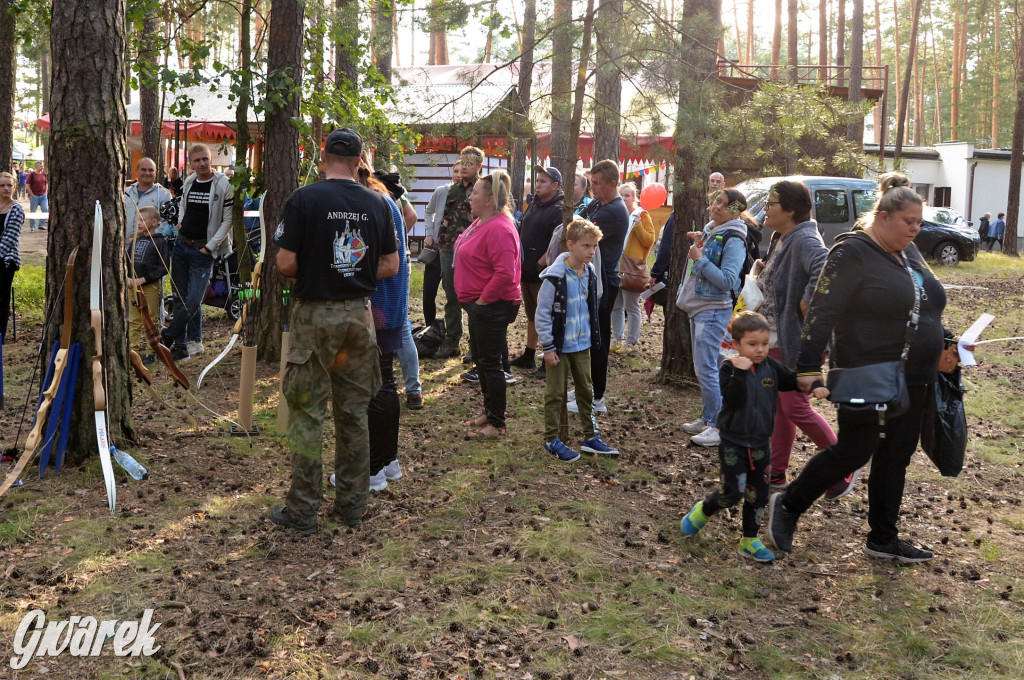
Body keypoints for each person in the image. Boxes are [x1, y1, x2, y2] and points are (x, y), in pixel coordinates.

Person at [767, 172, 949, 563]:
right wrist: (807, 367)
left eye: (920, 222)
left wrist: (946, 344)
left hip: (914, 375)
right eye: (908, 222)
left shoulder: (905, 253)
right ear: (883, 217)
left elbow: (928, 305)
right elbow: (820, 310)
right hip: (867, 370)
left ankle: (883, 537)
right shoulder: (853, 251)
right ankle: (788, 506)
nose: (916, 229)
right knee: (854, 449)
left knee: (896, 454)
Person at [270, 128, 399, 534]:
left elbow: (286, 264)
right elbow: (391, 265)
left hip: (315, 317)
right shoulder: (378, 203)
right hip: (358, 319)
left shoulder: (304, 199)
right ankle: (352, 505)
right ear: (360, 160)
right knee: (353, 412)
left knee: (307, 413)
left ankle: (304, 511)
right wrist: (353, 271)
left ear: (324, 156)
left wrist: (321, 269)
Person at [680, 312, 829, 563]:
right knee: (732, 493)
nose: (760, 350)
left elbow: (792, 381)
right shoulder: (729, 368)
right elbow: (732, 398)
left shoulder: (771, 366)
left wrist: (814, 385)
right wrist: (740, 371)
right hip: (733, 443)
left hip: (761, 444)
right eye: (752, 344)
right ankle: (703, 510)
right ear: (736, 345)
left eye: (764, 343)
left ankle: (749, 539)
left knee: (758, 494)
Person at [756, 180, 838, 492]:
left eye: (771, 204)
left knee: (795, 408)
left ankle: (841, 466)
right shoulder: (782, 236)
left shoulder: (804, 239)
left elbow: (826, 267)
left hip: (797, 342)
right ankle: (776, 473)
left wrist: (806, 301)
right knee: (781, 408)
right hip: (776, 339)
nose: (765, 209)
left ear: (790, 209)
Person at [536, 219, 619, 461]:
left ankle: (591, 437)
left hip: (582, 345)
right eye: (585, 246)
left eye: (594, 246)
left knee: (586, 390)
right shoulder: (555, 277)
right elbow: (542, 313)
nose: (591, 252)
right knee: (555, 394)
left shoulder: (590, 272)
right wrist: (548, 346)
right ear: (570, 245)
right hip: (559, 348)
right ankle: (552, 439)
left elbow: (591, 304)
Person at [677, 188, 750, 447]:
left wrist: (700, 259)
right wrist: (702, 243)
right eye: (716, 200)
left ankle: (718, 425)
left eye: (724, 204)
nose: (716, 206)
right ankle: (710, 416)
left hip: (712, 311)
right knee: (706, 367)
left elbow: (728, 281)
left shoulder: (734, 238)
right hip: (700, 309)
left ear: (735, 211)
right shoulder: (713, 231)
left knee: (707, 368)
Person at [454, 170, 522, 438]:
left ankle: (497, 422)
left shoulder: (500, 228)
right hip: (478, 306)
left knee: (491, 364)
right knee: (482, 361)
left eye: (475, 193)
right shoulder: (482, 220)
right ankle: (489, 411)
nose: (470, 197)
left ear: (490, 199)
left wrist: (483, 302)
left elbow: (504, 273)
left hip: (492, 306)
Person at [160, 144, 233, 360]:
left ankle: (168, 335)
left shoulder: (223, 184)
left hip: (203, 250)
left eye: (205, 159)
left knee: (193, 301)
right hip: (182, 245)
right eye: (197, 160)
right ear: (191, 163)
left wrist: (210, 247)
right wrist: (181, 220)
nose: (202, 164)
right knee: (179, 297)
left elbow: (227, 220)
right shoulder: (190, 181)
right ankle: (181, 347)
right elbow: (182, 203)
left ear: (211, 160)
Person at [567, 160, 628, 417]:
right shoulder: (598, 203)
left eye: (596, 183)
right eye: (590, 182)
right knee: (589, 337)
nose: (592, 188)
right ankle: (587, 387)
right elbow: (575, 221)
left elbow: (579, 230)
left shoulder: (613, 210)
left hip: (605, 282)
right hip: (591, 279)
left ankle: (597, 397)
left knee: (599, 340)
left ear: (612, 184)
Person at [371, 165, 422, 411]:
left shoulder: (385, 198)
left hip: (392, 267)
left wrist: (396, 244)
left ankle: (412, 390)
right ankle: (412, 389)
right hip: (391, 263)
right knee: (400, 326)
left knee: (399, 325)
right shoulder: (383, 198)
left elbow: (411, 217)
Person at [510, 166, 564, 378]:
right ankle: (529, 354)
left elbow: (556, 241)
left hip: (543, 273)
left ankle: (549, 360)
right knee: (532, 313)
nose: (538, 184)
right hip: (526, 269)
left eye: (543, 181)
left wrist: (540, 265)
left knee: (547, 315)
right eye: (538, 180)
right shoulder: (534, 203)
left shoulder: (559, 209)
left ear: (555, 185)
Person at [436, 146, 484, 358]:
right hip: (449, 248)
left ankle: (477, 346)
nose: (463, 168)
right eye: (462, 163)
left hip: (472, 251)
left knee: (473, 297)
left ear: (479, 166)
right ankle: (452, 341)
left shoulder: (483, 189)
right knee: (451, 295)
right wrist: (441, 241)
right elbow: (445, 217)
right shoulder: (454, 190)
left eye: (469, 164)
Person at [611, 182, 655, 355]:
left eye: (627, 195)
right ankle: (617, 338)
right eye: (621, 195)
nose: (624, 198)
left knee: (632, 306)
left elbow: (648, 240)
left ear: (634, 198)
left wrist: (637, 226)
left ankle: (632, 343)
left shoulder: (642, 215)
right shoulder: (617, 215)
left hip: (632, 268)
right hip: (617, 265)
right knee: (616, 305)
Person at [126, 206, 169, 361]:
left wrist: (144, 279)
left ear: (154, 222)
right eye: (138, 219)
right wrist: (128, 277)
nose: (139, 223)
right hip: (132, 285)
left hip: (150, 286)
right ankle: (134, 349)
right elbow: (127, 260)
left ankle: (153, 351)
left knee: (151, 318)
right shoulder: (136, 239)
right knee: (134, 319)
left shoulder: (160, 241)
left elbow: (164, 268)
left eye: (143, 220)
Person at [422, 162, 461, 327]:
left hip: (455, 252)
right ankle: (430, 329)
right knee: (428, 293)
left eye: (462, 171)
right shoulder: (441, 191)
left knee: (452, 295)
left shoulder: (470, 194)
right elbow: (428, 211)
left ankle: (452, 332)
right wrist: (429, 233)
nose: (458, 174)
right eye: (455, 171)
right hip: (436, 250)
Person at [125, 157, 174, 238]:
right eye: (143, 170)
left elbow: (168, 222)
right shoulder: (126, 193)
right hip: (124, 247)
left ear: (156, 172)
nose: (147, 173)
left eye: (151, 170)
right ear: (137, 171)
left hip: (150, 247)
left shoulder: (163, 195)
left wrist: (152, 238)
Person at [0, 172, 23, 339]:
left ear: (14, 187)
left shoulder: (16, 209)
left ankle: (0, 334)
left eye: (9, 185)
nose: (6, 188)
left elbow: (10, 237)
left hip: (5, 260)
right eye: (2, 185)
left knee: (1, 297)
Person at [26, 162, 48, 232]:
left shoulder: (44, 174)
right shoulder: (31, 175)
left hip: (43, 196)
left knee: (45, 209)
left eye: (42, 166)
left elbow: (46, 183)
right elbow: (27, 185)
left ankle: (41, 225)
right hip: (34, 196)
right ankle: (33, 227)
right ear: (37, 166)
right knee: (33, 211)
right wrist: (32, 195)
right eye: (41, 166)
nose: (42, 167)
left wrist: (46, 192)